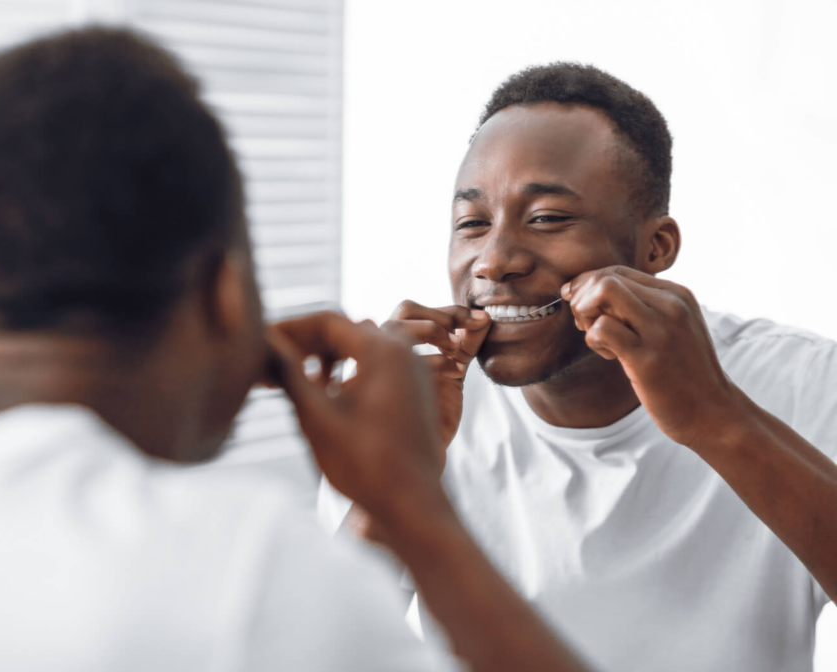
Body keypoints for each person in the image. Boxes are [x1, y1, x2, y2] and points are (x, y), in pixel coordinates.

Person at [0, 28, 600, 672]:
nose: (496, 259)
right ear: (225, 295)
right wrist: (410, 507)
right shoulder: (241, 574)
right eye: (470, 223)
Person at [321, 63, 837, 672]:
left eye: (546, 219)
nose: (494, 261)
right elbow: (314, 650)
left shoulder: (806, 382)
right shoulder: (411, 404)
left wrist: (717, 417)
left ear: (657, 247)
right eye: (472, 224)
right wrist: (391, 479)